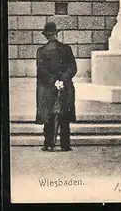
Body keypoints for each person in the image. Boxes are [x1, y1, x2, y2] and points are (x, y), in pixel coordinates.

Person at [36, 22, 77, 151]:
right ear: (56, 34)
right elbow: (73, 68)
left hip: (48, 88)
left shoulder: (41, 51)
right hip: (65, 87)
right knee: (64, 116)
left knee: (49, 116)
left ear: (46, 36)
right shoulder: (67, 48)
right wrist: (62, 80)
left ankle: (49, 144)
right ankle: (65, 145)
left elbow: (41, 70)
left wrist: (54, 81)